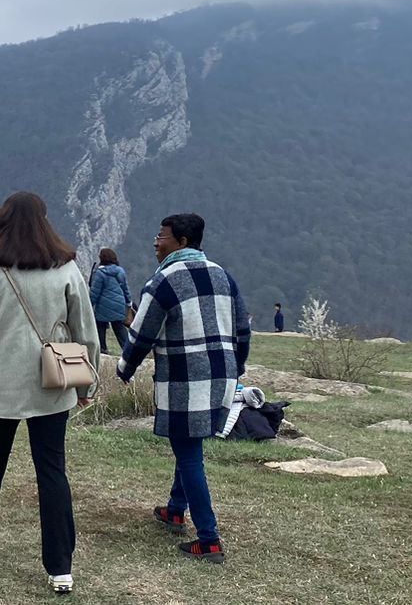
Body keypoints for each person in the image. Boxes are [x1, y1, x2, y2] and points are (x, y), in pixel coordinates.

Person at [0, 191, 98, 596]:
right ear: (45, 224)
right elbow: (85, 332)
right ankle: (60, 567)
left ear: (1, 223)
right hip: (52, 385)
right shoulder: (66, 269)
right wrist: (86, 382)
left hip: (0, 386)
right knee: (52, 471)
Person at [116, 213, 251, 564]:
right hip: (222, 375)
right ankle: (175, 510)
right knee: (189, 444)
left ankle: (208, 539)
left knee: (189, 453)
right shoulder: (224, 276)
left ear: (182, 243)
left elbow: (141, 334)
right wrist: (238, 367)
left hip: (185, 378)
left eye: (161, 236)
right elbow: (243, 330)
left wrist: (124, 368)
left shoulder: (164, 281)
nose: (155, 242)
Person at [88, 247, 132, 354]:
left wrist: (89, 304)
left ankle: (103, 350)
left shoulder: (100, 273)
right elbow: (125, 288)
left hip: (104, 306)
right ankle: (129, 351)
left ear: (102, 258)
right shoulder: (120, 271)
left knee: (100, 326)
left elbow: (95, 292)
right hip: (119, 304)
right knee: (119, 328)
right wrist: (129, 303)